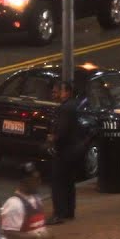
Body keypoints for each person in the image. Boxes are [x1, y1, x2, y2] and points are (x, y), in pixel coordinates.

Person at [47, 81, 82, 224]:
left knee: (58, 183)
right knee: (68, 183)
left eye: (58, 91)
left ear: (67, 92)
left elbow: (62, 130)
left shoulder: (65, 109)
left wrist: (52, 138)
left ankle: (59, 214)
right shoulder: (73, 106)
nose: (55, 94)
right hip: (72, 151)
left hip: (63, 152)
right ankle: (69, 211)